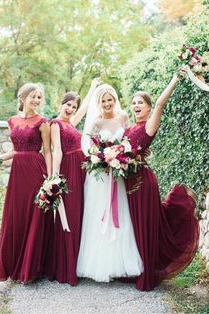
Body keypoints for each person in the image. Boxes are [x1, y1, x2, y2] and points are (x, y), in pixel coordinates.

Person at [124, 69, 199, 291]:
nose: (137, 106)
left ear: (148, 107)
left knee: (146, 226)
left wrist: (175, 79)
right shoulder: (129, 127)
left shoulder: (149, 124)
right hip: (127, 181)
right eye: (134, 103)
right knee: (133, 227)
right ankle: (134, 267)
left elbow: (160, 104)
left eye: (141, 103)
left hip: (143, 183)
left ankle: (147, 273)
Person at [77, 84, 143, 282]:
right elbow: (87, 145)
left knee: (121, 214)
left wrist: (124, 157)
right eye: (103, 100)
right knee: (98, 215)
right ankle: (98, 264)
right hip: (101, 177)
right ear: (99, 103)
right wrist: (99, 158)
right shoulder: (96, 122)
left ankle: (121, 264)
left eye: (110, 99)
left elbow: (129, 141)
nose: (107, 103)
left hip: (118, 174)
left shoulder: (123, 117)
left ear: (115, 100)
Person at [0, 83, 54, 283]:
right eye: (33, 96)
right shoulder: (12, 121)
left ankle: (31, 269)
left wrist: (51, 179)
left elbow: (47, 151)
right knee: (16, 216)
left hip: (36, 172)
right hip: (17, 174)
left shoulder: (43, 122)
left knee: (34, 215)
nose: (36, 100)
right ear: (23, 97)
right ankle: (15, 264)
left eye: (39, 97)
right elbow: (14, 150)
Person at [50, 79, 101, 285]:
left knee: (81, 211)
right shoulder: (55, 124)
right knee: (70, 214)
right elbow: (57, 150)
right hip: (69, 170)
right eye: (68, 104)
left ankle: (79, 263)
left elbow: (87, 106)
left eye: (73, 106)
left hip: (81, 167)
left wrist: (92, 88)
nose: (70, 108)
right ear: (61, 104)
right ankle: (66, 267)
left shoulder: (70, 123)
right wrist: (55, 177)